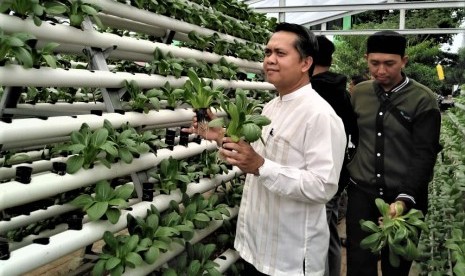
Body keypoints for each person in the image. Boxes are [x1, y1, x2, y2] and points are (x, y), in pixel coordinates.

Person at [183, 22, 347, 275]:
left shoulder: (320, 116)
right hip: (256, 247)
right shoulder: (270, 108)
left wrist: (261, 167)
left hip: (289, 258)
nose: (270, 59)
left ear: (305, 63)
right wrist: (219, 136)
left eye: (280, 54)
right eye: (268, 52)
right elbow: (257, 157)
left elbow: (323, 186)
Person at [346, 30, 442, 276]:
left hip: (405, 194)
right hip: (362, 191)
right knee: (359, 262)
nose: (381, 71)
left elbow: (424, 153)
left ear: (404, 61)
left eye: (389, 63)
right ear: (366, 58)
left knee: (396, 263)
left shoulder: (423, 99)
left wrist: (404, 198)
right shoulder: (359, 93)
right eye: (374, 63)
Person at [310, 35, 358, 276]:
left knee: (318, 238)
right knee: (329, 233)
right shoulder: (342, 92)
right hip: (338, 176)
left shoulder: (314, 93)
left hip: (317, 180)